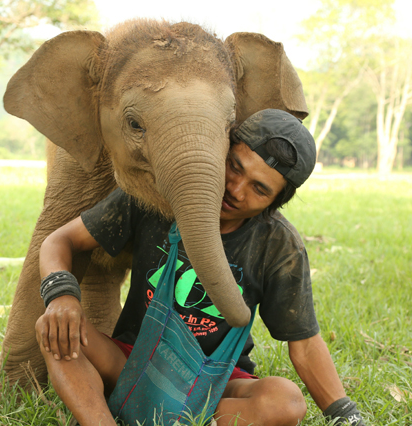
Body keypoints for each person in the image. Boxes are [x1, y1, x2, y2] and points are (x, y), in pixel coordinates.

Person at [35, 109, 366, 426]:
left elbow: (305, 345)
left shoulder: (279, 245)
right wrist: (61, 297)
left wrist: (347, 415)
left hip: (213, 382)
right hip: (131, 360)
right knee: (55, 331)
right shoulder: (155, 198)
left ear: (275, 203)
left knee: (287, 402)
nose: (236, 190)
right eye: (235, 167)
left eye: (259, 188)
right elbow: (59, 241)